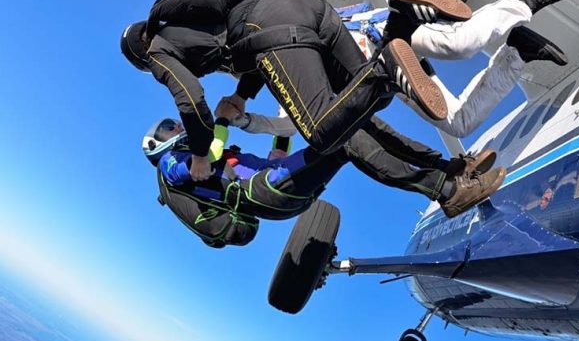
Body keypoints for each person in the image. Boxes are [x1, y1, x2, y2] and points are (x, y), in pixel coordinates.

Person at [122, 0, 473, 181]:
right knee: (366, 98)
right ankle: (402, 18)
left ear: (141, 57)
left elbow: (191, 99)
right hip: (305, 4)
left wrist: (200, 155)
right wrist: (242, 95)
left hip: (274, 29)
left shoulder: (158, 52)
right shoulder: (191, 22)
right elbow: (244, 48)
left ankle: (386, 68)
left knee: (322, 133)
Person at [144, 103, 506, 249]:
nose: (177, 126)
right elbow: (200, 166)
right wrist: (220, 122)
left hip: (274, 186)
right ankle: (449, 191)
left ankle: (450, 172)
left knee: (351, 129)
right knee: (347, 139)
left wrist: (282, 119)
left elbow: (278, 160)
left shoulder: (226, 158)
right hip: (263, 193)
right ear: (158, 144)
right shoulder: (170, 164)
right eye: (168, 127)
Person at [342, 0, 572, 137]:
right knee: (459, 123)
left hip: (372, 33)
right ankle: (519, 52)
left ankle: (524, 4)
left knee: (458, 44)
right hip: (386, 72)